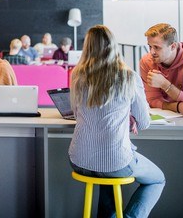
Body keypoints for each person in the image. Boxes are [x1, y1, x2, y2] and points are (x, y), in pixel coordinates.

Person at [69, 25, 165, 218]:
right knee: (157, 180)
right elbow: (144, 123)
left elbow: (76, 111)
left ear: (87, 47)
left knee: (108, 172)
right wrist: (127, 113)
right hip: (117, 162)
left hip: (79, 160)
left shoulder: (78, 75)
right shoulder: (128, 76)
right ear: (114, 45)